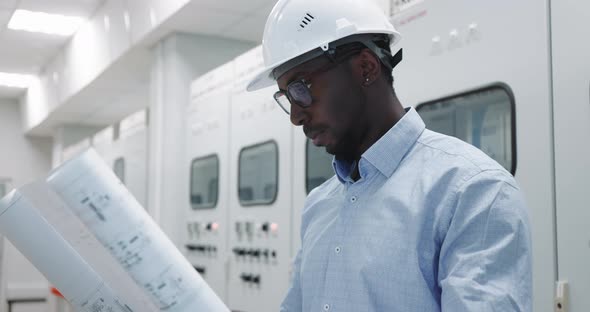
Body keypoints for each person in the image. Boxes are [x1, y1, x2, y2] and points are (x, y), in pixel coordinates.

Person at [247, 0, 532, 311]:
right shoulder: (319, 205)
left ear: (366, 68)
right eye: (286, 97)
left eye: (299, 89)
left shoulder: (471, 192)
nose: (295, 116)